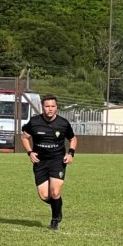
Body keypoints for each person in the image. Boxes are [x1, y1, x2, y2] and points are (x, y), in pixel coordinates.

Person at [21, 95, 78, 230]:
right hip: (40, 162)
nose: (50, 109)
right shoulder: (34, 122)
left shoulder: (63, 123)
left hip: (57, 161)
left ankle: (55, 219)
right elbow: (24, 137)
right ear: (43, 107)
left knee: (55, 192)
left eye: (53, 106)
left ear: (56, 107)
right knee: (44, 195)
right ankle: (58, 206)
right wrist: (30, 152)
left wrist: (71, 153)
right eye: (47, 106)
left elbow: (73, 139)